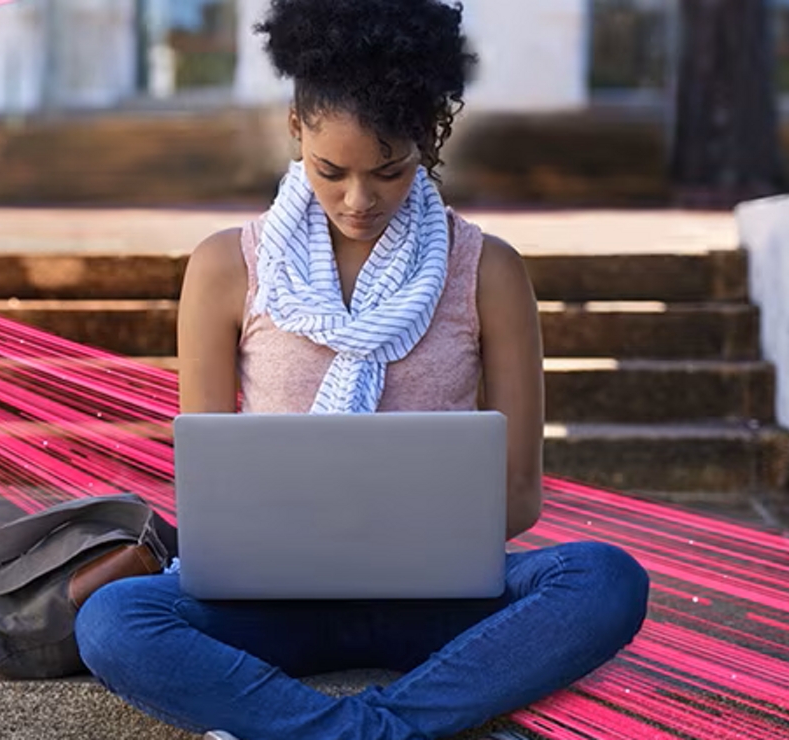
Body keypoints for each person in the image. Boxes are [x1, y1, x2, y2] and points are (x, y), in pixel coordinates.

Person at [73, 1, 651, 738]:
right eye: (331, 170)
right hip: (272, 604)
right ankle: (390, 731)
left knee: (605, 580)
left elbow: (518, 498)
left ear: (428, 142)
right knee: (115, 620)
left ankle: (325, 730)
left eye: (390, 171)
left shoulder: (488, 271)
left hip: (435, 604)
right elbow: (209, 497)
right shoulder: (226, 267)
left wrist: (407, 536)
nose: (359, 199)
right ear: (294, 127)